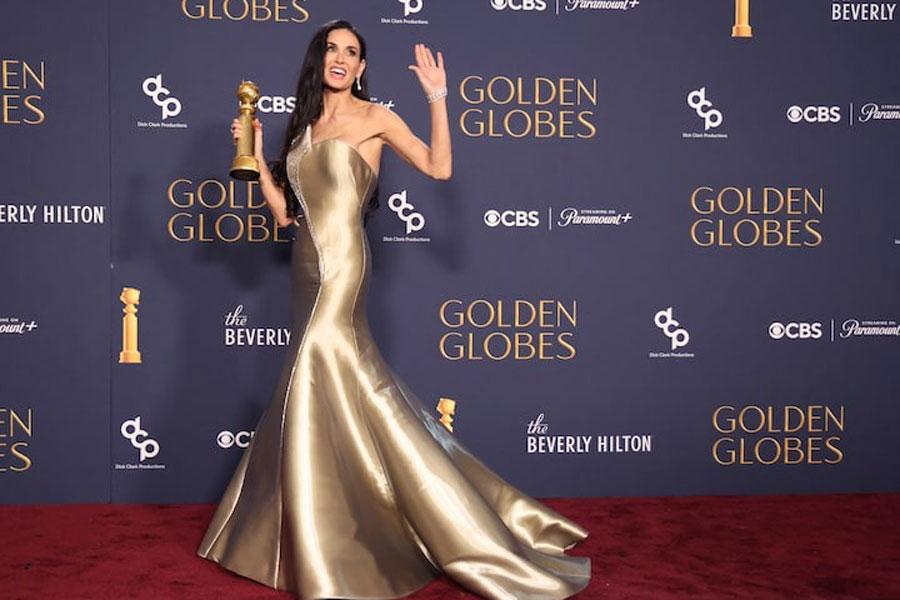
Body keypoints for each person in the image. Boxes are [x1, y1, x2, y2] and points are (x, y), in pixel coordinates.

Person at [197, 19, 591, 600]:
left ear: (360, 68)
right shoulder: (304, 126)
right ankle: (344, 525)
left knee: (319, 366)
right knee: (332, 385)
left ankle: (360, 544)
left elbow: (438, 167)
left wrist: (438, 98)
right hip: (305, 269)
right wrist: (254, 158)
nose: (340, 58)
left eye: (351, 53)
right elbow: (286, 218)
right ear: (319, 60)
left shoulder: (375, 117)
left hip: (344, 268)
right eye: (331, 48)